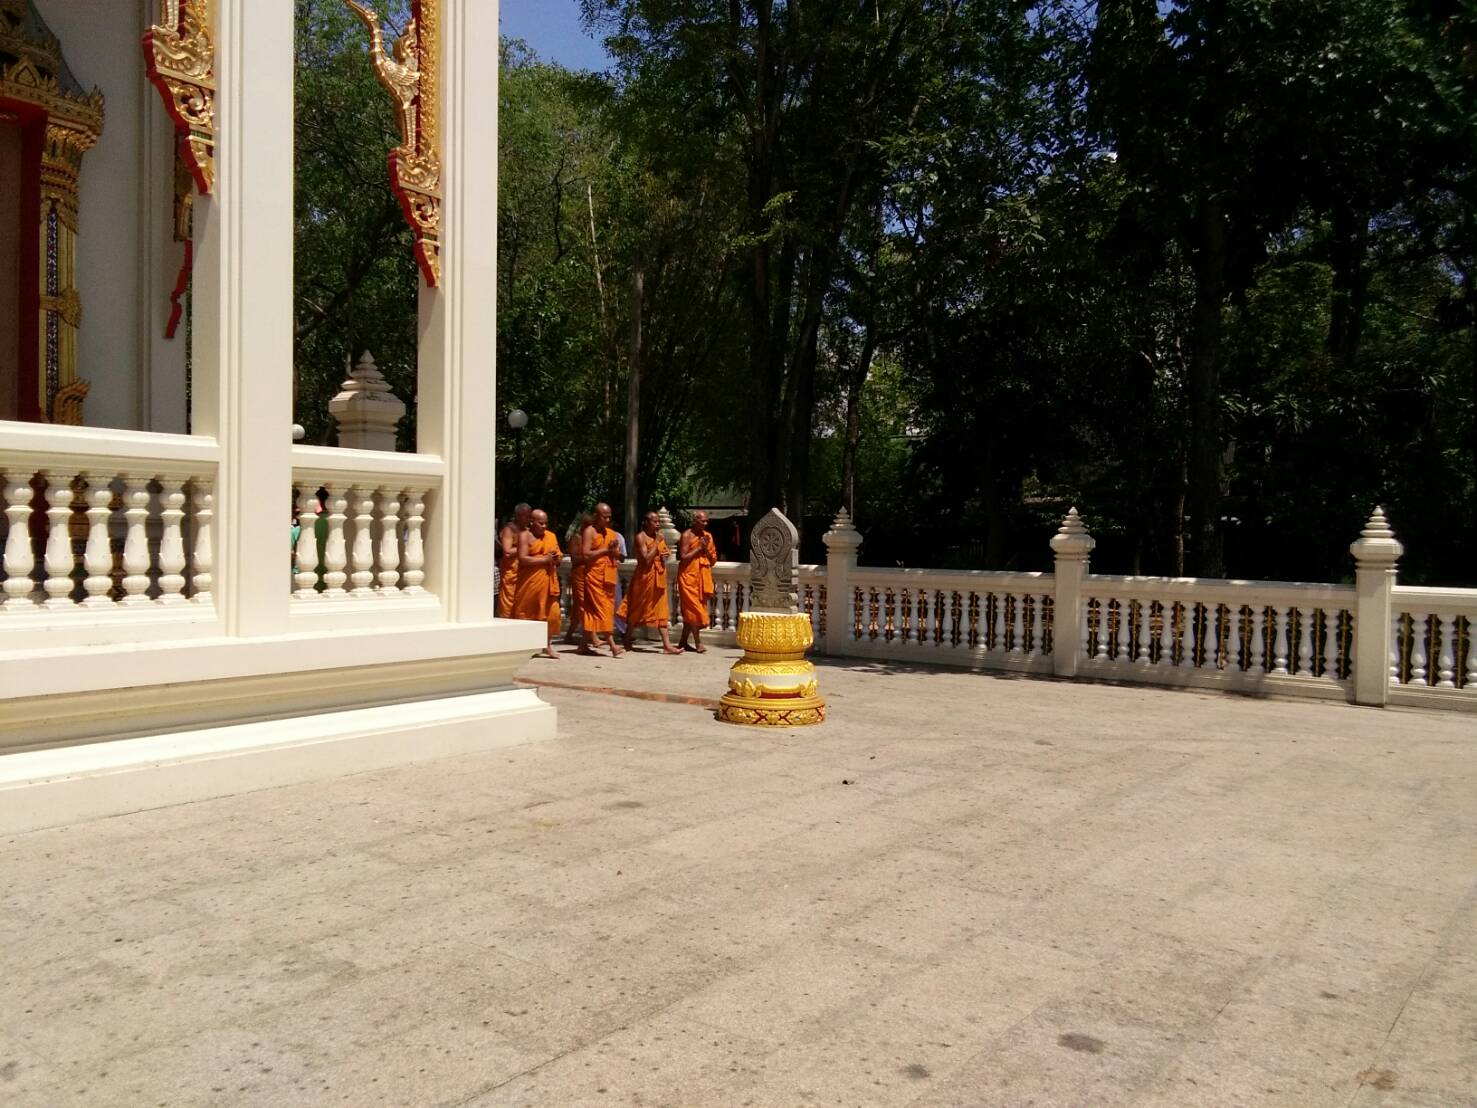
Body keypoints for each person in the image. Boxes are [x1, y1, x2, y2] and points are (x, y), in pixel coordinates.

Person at [619, 510, 681, 655]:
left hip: (658, 578)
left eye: (659, 521)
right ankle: (627, 640)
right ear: (646, 522)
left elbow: (663, 553)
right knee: (636, 610)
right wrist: (657, 542)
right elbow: (646, 560)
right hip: (644, 579)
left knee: (661, 611)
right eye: (655, 521)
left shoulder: (658, 536)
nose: (658, 524)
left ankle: (667, 645)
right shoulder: (640, 537)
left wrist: (664, 555)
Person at [510, 509, 561, 658]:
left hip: (548, 582)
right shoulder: (524, 536)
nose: (544, 526)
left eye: (546, 523)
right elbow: (523, 558)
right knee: (527, 614)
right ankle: (524, 646)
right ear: (532, 522)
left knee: (552, 614)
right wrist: (545, 559)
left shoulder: (551, 536)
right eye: (541, 523)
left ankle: (547, 645)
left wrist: (556, 558)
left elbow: (558, 555)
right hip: (530, 584)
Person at [579, 503, 624, 657]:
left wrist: (615, 552)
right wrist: (605, 550)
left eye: (609, 517)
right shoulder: (589, 531)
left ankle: (583, 645)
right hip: (594, 577)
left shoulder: (611, 533)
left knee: (595, 611)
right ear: (596, 516)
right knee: (603, 611)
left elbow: (616, 555)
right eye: (604, 517)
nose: (607, 520)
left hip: (608, 577)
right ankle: (613, 645)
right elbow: (585, 555)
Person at [677, 510, 718, 652]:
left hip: (702, 577)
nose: (705, 523)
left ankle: (683, 642)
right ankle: (698, 642)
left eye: (707, 521)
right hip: (687, 577)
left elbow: (713, 560)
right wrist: (699, 548)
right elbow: (683, 558)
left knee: (691, 611)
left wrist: (705, 549)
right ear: (695, 521)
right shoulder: (686, 535)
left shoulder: (708, 536)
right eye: (702, 521)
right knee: (694, 609)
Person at [563, 512, 592, 644]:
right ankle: (592, 636)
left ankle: (568, 635)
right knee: (582, 605)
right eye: (587, 525)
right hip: (578, 574)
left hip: (590, 575)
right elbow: (574, 559)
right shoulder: (576, 539)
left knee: (578, 609)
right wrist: (589, 556)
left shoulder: (591, 538)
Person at [497, 503, 531, 618]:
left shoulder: (527, 531)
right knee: (508, 606)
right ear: (518, 515)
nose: (529, 519)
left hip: (524, 574)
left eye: (529, 516)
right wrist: (524, 546)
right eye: (526, 516)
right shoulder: (509, 530)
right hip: (511, 573)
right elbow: (507, 552)